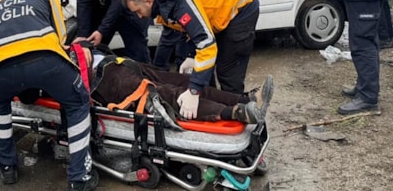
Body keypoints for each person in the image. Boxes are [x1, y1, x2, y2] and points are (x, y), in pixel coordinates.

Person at [0, 0, 97, 190]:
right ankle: (80, 176)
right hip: (44, 61)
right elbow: (60, 36)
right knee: (77, 102)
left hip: (1, 69)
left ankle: (7, 167)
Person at [123, 0, 260, 119]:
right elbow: (190, 28)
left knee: (227, 71)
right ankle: (220, 109)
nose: (139, 16)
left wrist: (194, 90)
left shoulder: (180, 3)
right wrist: (192, 55)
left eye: (138, 11)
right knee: (204, 72)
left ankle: (242, 113)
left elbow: (206, 44)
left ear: (148, 1)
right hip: (219, 12)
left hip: (240, 9)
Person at [70, 43, 273, 124]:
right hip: (104, 81)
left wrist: (84, 46)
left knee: (186, 82)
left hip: (117, 63)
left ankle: (245, 99)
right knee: (166, 94)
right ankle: (236, 112)